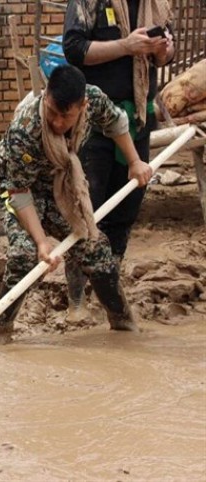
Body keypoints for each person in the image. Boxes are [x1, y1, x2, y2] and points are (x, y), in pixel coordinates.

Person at [0, 65, 152, 343]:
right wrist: (42, 242)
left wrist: (135, 161)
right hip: (14, 187)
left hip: (58, 184)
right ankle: (0, 332)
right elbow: (20, 192)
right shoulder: (25, 129)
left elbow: (117, 123)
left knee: (95, 249)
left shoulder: (94, 100)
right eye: (52, 112)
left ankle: (123, 325)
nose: (58, 123)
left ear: (82, 106)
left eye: (66, 116)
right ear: (46, 98)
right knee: (24, 255)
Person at [62, 0, 174, 319]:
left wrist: (162, 50)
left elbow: (167, 55)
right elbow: (74, 49)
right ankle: (76, 299)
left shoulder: (157, 4)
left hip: (137, 116)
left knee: (125, 211)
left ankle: (108, 289)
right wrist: (126, 46)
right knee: (86, 210)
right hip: (94, 122)